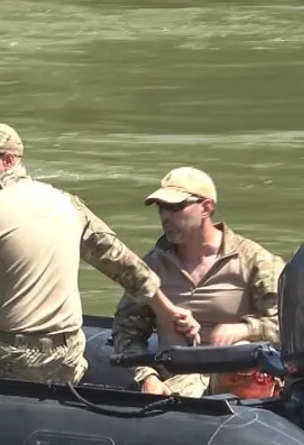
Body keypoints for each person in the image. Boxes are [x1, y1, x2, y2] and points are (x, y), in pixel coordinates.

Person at [0, 122, 200, 384]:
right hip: (67, 358)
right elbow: (124, 264)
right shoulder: (69, 204)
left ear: (9, 160)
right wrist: (168, 310)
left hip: (7, 357)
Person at [112, 166, 286, 397]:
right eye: (162, 208)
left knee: (243, 352)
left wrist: (244, 329)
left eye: (175, 207)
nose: (165, 216)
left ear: (206, 207)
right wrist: (148, 377)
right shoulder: (152, 266)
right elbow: (127, 331)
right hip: (177, 381)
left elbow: (286, 327)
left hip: (236, 382)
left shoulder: (255, 260)